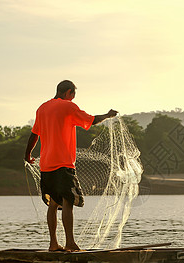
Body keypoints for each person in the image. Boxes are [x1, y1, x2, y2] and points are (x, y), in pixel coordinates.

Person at [24, 80, 117, 252]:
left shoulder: (42, 108)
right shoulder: (67, 107)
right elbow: (91, 120)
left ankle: (53, 244)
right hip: (63, 163)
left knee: (53, 203)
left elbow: (34, 135)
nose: (73, 99)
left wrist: (27, 154)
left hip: (46, 164)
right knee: (68, 201)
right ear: (68, 92)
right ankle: (70, 243)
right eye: (73, 95)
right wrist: (107, 115)